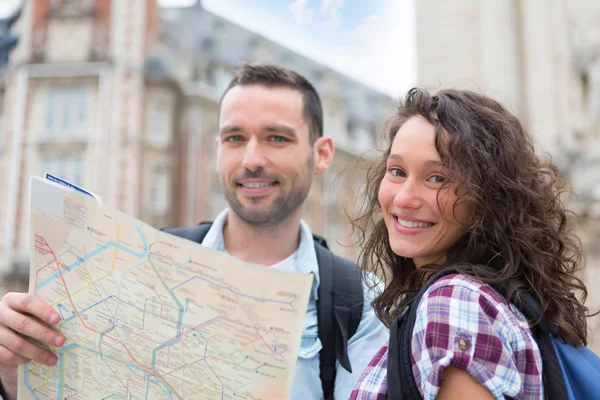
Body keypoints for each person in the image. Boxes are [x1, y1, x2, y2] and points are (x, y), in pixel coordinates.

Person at [0, 63, 388, 400]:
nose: (252, 159)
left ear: (321, 154)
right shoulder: (139, 265)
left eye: (277, 138)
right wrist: (16, 378)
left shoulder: (363, 302)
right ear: (218, 148)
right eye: (236, 138)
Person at [349, 88, 591, 399]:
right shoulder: (492, 297)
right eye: (396, 171)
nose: (404, 197)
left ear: (487, 197)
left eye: (437, 178)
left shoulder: (453, 302)